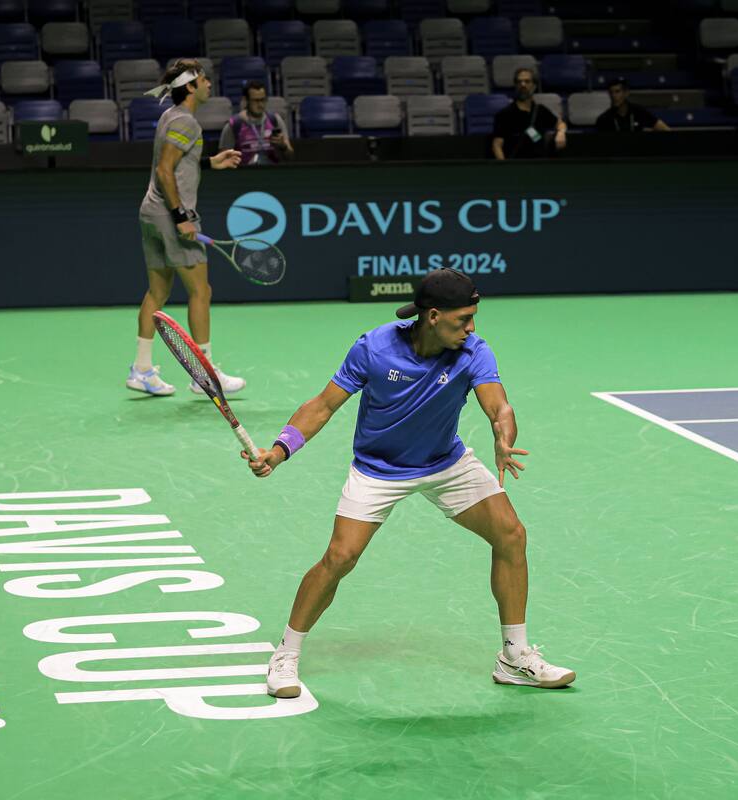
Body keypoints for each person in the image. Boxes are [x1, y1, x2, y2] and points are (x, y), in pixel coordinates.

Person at [244, 268, 576, 698]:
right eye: (463, 319)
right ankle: (286, 654)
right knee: (340, 557)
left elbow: (500, 407)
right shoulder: (374, 348)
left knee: (511, 534)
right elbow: (323, 405)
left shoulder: (473, 351)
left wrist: (503, 437)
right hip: (378, 469)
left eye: (474, 318)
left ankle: (514, 656)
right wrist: (280, 449)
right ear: (433, 316)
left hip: (444, 462)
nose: (472, 328)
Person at [127, 58, 246, 397]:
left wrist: (208, 162)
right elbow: (165, 170)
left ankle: (141, 370)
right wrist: (181, 217)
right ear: (191, 87)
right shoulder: (187, 122)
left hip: (151, 213)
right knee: (200, 291)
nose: (209, 84)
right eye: (203, 80)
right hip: (171, 215)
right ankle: (204, 376)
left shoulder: (171, 116)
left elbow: (175, 163)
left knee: (158, 292)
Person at [492, 68, 567, 160]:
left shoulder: (541, 110)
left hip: (540, 162)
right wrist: (505, 166)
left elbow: (560, 123)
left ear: (534, 86)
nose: (523, 85)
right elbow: (497, 145)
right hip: (516, 163)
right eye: (519, 82)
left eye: (527, 81)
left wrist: (561, 133)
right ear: (515, 85)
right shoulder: (504, 115)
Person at [219, 80, 294, 166]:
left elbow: (290, 157)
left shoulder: (275, 120)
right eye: (256, 101)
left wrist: (283, 146)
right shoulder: (234, 125)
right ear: (246, 101)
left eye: (263, 100)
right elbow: (222, 161)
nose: (260, 105)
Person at [595, 78, 670, 133]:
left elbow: (664, 129)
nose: (613, 96)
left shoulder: (639, 111)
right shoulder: (604, 119)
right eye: (611, 92)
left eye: (617, 92)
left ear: (626, 93)